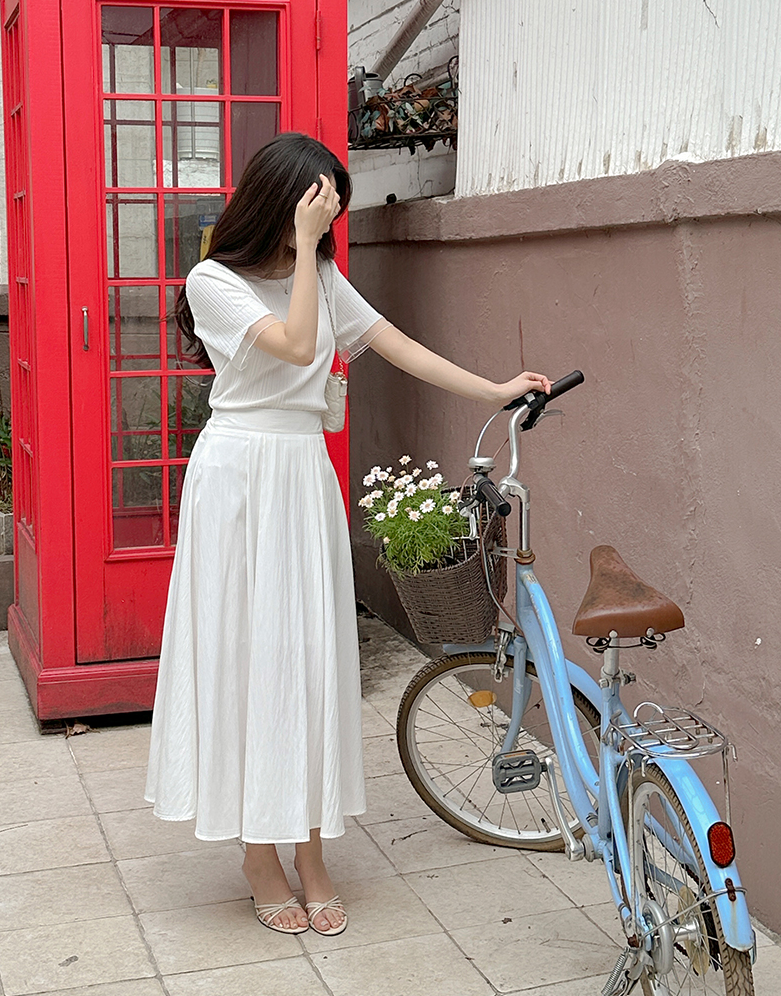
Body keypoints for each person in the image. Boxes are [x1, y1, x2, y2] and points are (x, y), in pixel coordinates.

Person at [144, 132, 552, 937]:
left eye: (333, 209)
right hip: (238, 479)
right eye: (318, 206)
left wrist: (495, 390)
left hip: (301, 475)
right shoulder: (213, 280)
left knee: (306, 658)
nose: (329, 222)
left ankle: (310, 849)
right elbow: (297, 345)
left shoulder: (323, 276)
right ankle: (259, 854)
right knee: (247, 656)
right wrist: (304, 250)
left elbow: (397, 346)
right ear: (283, 202)